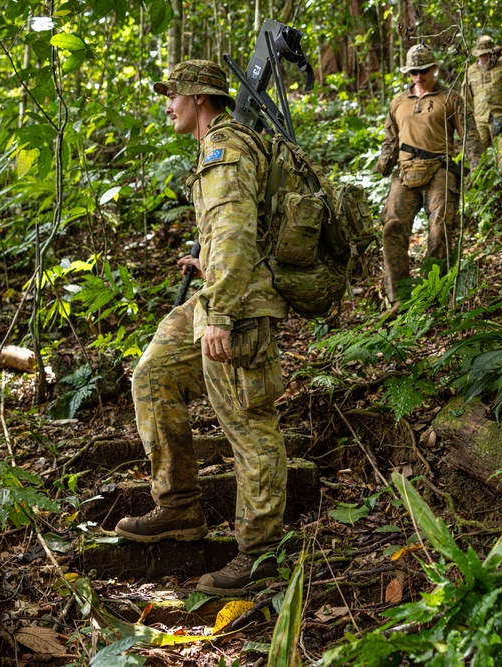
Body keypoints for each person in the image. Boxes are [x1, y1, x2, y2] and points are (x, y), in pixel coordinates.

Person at [114, 60, 289, 595]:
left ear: (199, 98)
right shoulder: (214, 148)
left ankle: (259, 558)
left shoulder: (224, 150)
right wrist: (205, 268)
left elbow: (236, 233)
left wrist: (219, 314)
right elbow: (227, 232)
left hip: (235, 308)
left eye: (173, 95)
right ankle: (179, 506)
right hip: (217, 291)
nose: (168, 105)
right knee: (153, 374)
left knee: (247, 423)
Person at [376, 44, 482, 315]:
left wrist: (477, 167)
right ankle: (398, 297)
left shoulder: (451, 99)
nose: (419, 76)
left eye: (423, 71)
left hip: (439, 169)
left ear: (433, 68)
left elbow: (469, 134)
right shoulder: (398, 102)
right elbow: (390, 137)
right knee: (392, 229)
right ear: (408, 73)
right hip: (405, 172)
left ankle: (433, 292)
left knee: (440, 229)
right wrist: (385, 160)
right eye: (414, 72)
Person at [464, 34, 502, 159]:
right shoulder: (470, 71)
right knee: (478, 157)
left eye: (488, 54)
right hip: (480, 120)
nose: (485, 57)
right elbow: (465, 98)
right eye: (482, 55)